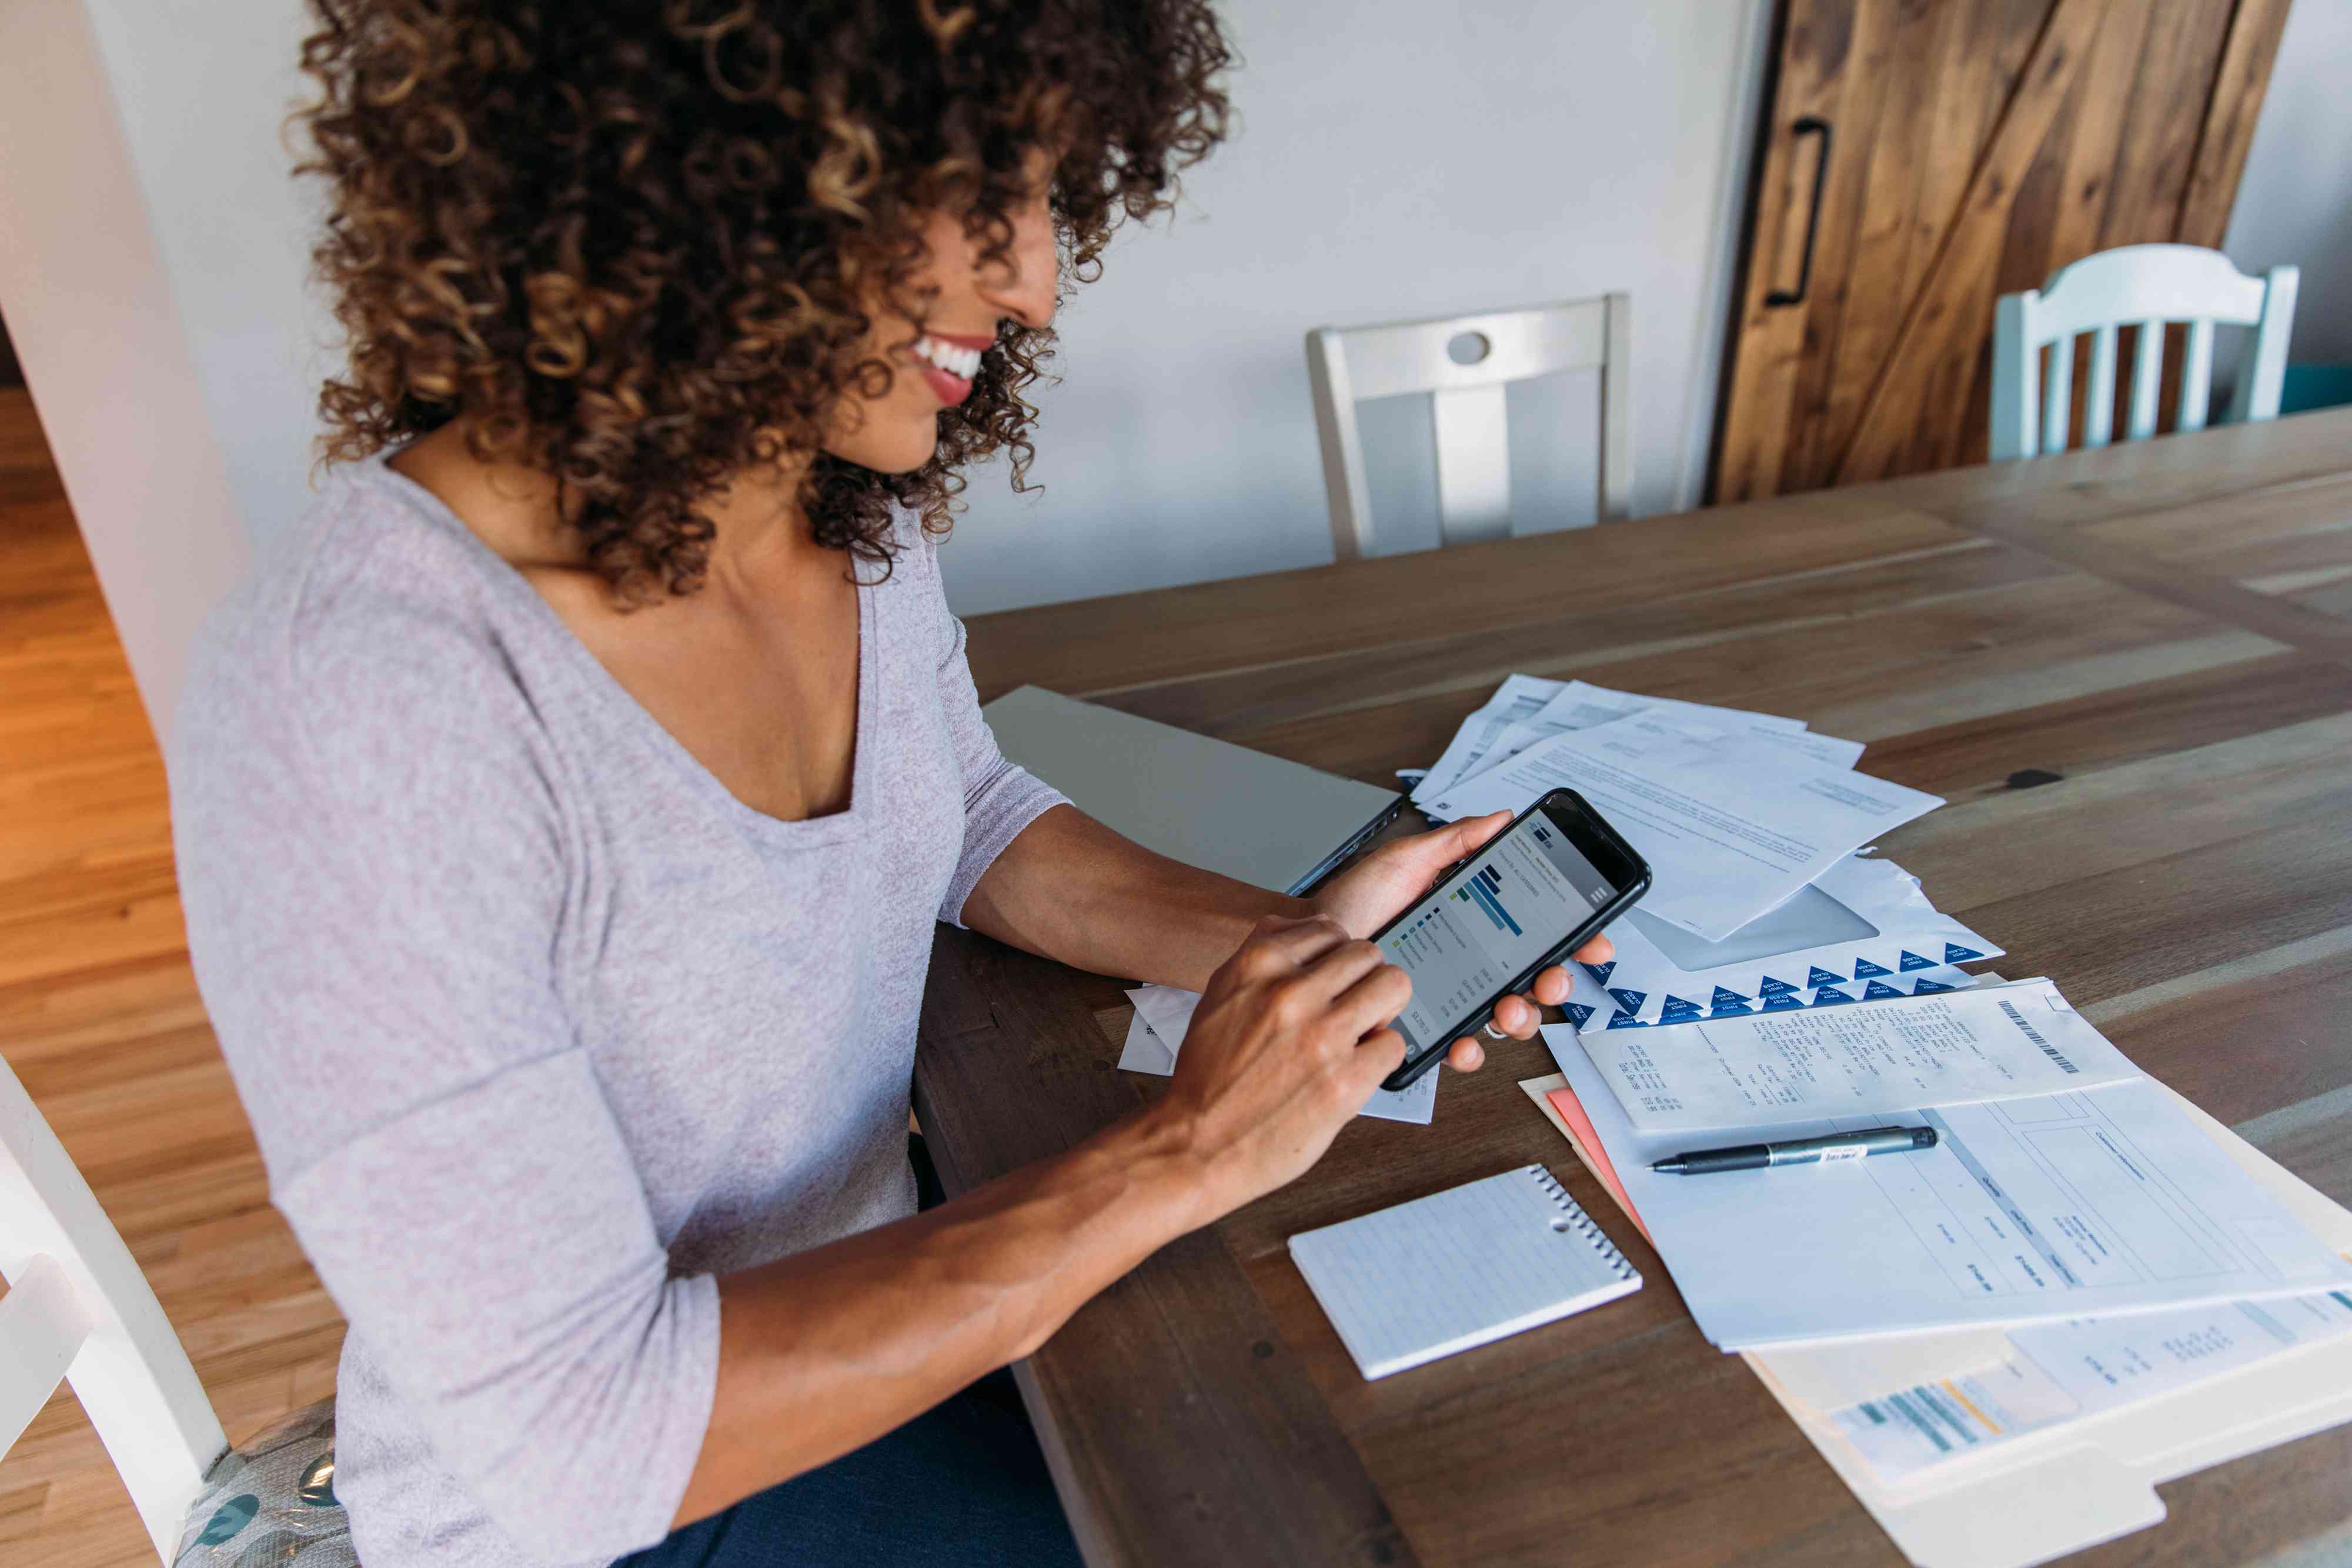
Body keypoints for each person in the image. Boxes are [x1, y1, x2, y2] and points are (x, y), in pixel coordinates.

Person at [170, 4, 1612, 1566]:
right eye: (976, 181)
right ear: (700, 148)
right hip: (619, 1512)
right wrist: (1185, 1151)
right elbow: (584, 1445)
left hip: (892, 1302)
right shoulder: (364, 703)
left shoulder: (836, 503)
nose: (1040, 281)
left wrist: (1299, 943)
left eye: (1051, 190)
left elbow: (969, 816)